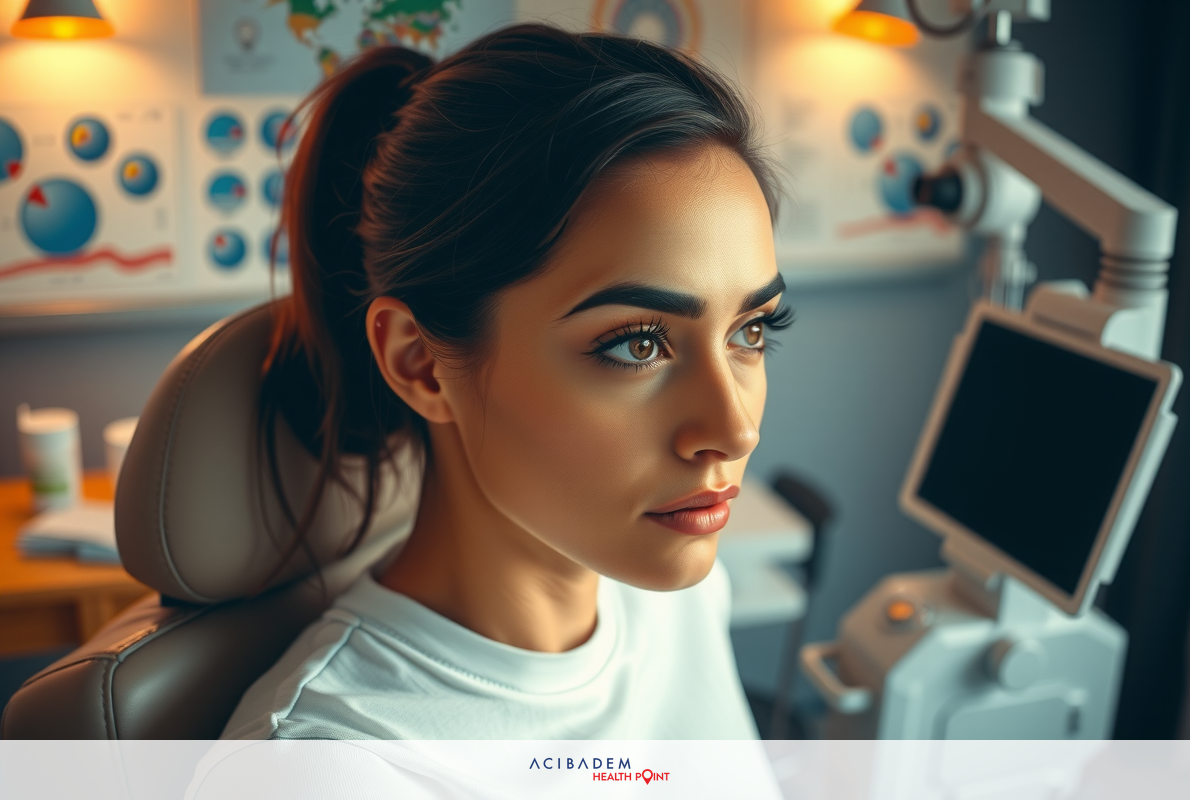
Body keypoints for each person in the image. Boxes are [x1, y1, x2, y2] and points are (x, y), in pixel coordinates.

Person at [221, 22, 791, 740]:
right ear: (418, 363)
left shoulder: (682, 601)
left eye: (751, 330)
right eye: (638, 344)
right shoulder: (328, 765)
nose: (735, 428)